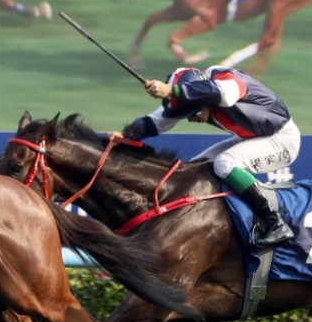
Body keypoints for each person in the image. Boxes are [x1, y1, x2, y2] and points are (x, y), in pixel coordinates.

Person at [109, 66, 300, 247]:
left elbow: (225, 95)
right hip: (250, 138)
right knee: (193, 170)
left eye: (195, 111)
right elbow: (154, 123)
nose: (192, 118)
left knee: (225, 163)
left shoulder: (225, 79)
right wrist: (125, 134)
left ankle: (275, 221)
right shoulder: (193, 91)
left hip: (282, 138)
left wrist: (173, 90)